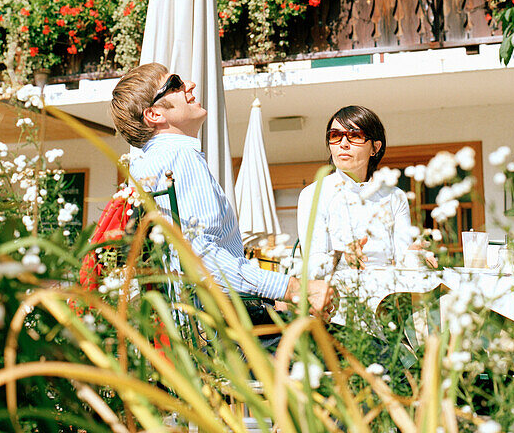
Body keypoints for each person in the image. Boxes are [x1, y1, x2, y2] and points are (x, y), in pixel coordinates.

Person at [110, 61, 332, 317]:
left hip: (186, 322)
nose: (190, 85)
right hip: (219, 330)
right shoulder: (180, 158)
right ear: (155, 115)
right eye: (175, 84)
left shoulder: (145, 167)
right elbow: (202, 257)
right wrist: (292, 288)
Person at [296, 105, 421, 272]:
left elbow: (403, 259)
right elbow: (313, 265)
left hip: (386, 294)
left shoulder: (394, 196)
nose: (344, 144)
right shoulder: (313, 194)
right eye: (335, 136)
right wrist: (342, 258)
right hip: (336, 294)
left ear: (375, 148)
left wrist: (417, 259)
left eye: (355, 136)